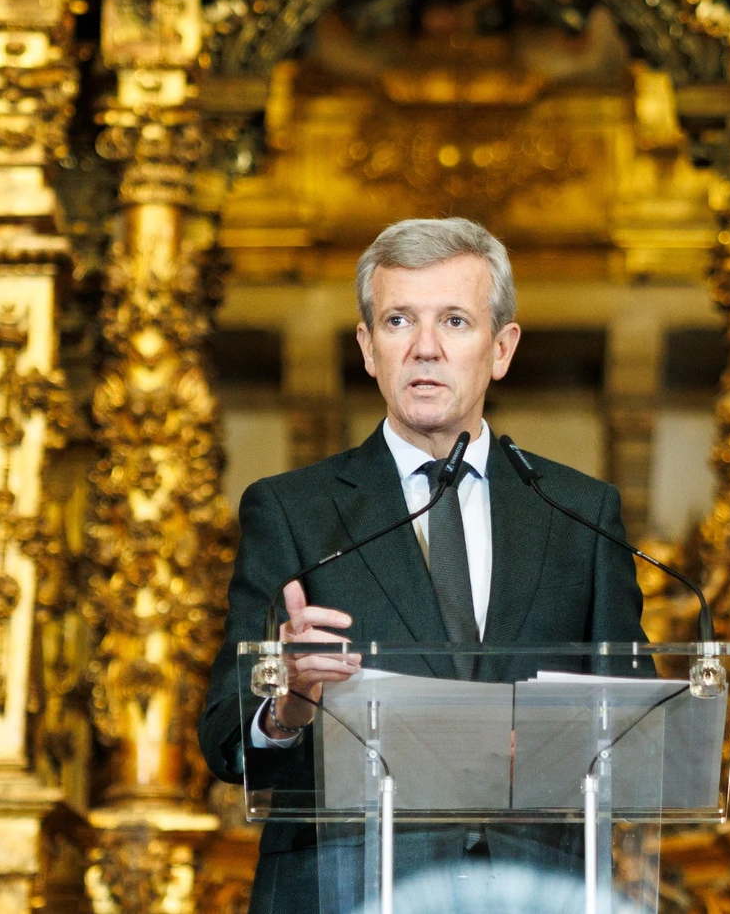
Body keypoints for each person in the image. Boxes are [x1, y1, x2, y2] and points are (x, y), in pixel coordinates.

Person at [198, 217, 648, 914]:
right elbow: (227, 739)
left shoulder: (580, 514)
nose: (425, 347)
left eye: (455, 321)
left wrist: (550, 745)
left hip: (534, 890)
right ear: (368, 347)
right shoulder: (292, 511)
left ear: (501, 348)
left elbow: (639, 728)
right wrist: (286, 704)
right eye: (399, 320)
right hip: (344, 888)